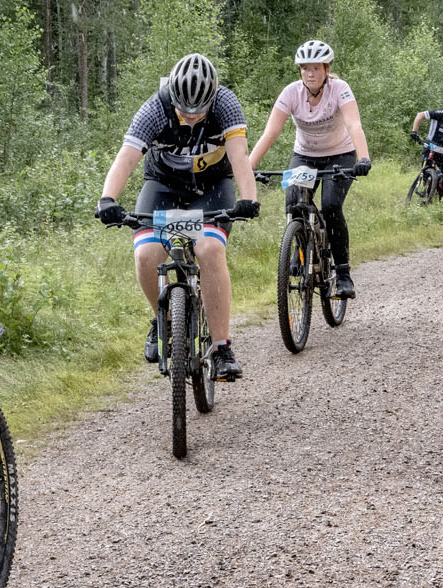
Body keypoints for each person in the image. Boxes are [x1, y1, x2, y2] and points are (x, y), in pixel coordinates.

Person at [96, 54, 259, 378]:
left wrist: (248, 199)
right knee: (146, 254)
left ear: (212, 95)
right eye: (185, 110)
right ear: (173, 96)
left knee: (210, 250)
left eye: (200, 111)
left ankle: (221, 346)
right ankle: (163, 319)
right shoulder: (154, 107)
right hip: (163, 187)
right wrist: (108, 198)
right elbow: (126, 158)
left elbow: (240, 158)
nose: (193, 117)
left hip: (213, 186)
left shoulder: (226, 103)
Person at [248, 40, 372, 299]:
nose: (310, 74)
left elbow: (353, 125)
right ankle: (300, 248)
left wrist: (363, 158)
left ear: (326, 69)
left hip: (341, 155)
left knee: (330, 205)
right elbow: (271, 132)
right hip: (305, 155)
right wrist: (247, 168)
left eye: (315, 68)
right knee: (294, 198)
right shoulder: (291, 93)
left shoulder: (340, 89)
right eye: (305, 68)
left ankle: (343, 273)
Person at [410, 91, 443, 199]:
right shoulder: (440, 113)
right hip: (431, 146)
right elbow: (420, 115)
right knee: (426, 170)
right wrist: (414, 132)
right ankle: (429, 191)